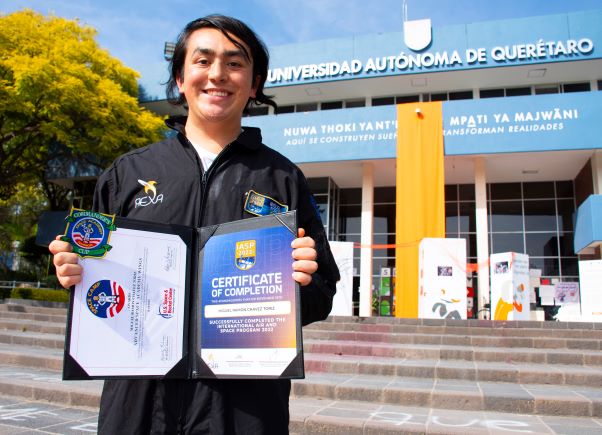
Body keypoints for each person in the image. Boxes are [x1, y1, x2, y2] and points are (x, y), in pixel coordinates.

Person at [49, 14, 339, 434]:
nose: (217, 74)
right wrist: (71, 269)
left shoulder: (283, 179)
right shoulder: (126, 174)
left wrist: (304, 280)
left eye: (235, 63)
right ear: (180, 80)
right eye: (202, 61)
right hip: (139, 408)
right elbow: (91, 280)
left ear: (254, 83)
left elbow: (322, 295)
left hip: (244, 413)